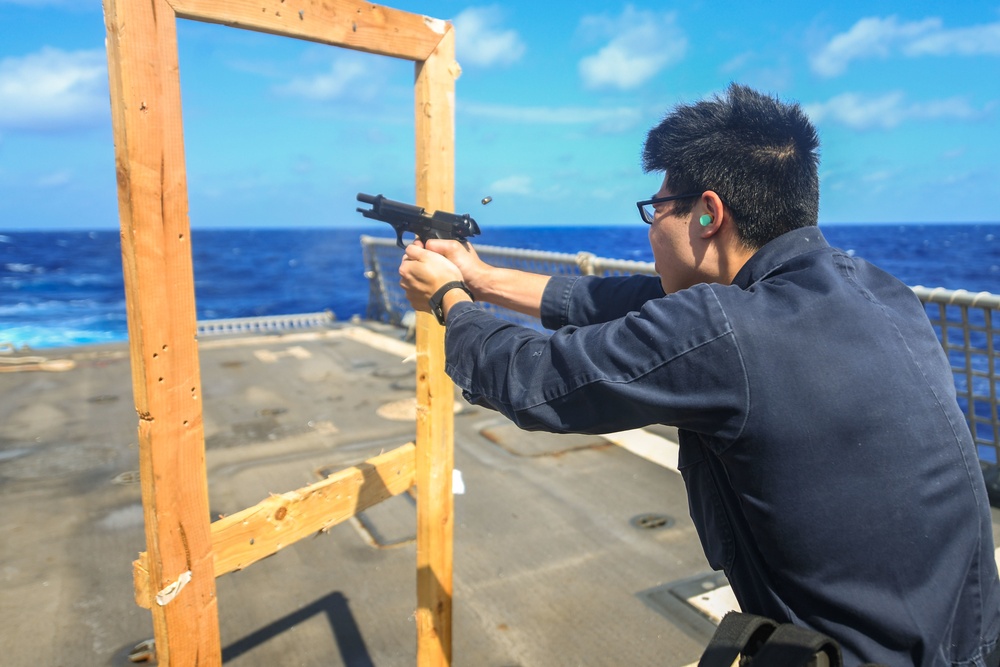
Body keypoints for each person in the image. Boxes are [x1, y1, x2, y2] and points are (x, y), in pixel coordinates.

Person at [397, 83, 1000, 667]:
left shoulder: (725, 332)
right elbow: (635, 305)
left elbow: (530, 381)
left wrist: (448, 299)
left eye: (656, 209)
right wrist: (481, 278)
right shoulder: (876, 290)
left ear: (708, 212)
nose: (651, 226)